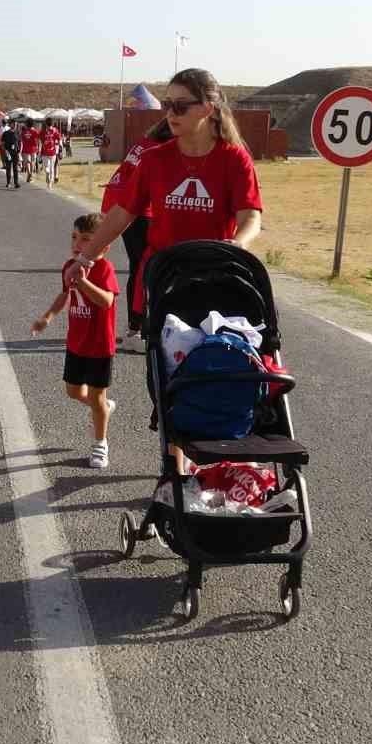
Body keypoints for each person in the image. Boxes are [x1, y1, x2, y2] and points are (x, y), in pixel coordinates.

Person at [66, 67, 262, 458]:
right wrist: (86, 258)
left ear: (208, 108)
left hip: (216, 280)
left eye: (180, 105)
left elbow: (250, 216)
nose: (170, 113)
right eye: (167, 104)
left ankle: (223, 450)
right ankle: (178, 468)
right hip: (165, 285)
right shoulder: (155, 160)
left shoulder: (234, 159)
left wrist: (238, 243)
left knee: (220, 366)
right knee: (170, 379)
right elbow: (121, 214)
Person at [31, 214, 120, 468]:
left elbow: (106, 301)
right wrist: (46, 318)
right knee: (73, 391)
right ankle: (102, 406)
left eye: (86, 239)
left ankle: (100, 444)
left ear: (103, 245)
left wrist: (83, 281)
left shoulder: (104, 269)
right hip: (76, 344)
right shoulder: (70, 265)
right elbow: (64, 294)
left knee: (96, 397)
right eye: (74, 237)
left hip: (100, 346)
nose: (77, 244)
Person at [101, 118, 172, 345]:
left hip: (120, 202)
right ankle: (136, 327)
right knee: (143, 267)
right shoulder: (160, 149)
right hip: (135, 208)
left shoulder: (144, 141)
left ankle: (137, 325)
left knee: (138, 266)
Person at [40, 119, 62, 188]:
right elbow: (59, 138)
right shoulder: (55, 130)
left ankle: (47, 174)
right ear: (52, 124)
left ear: (46, 124)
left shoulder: (43, 131)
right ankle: (50, 183)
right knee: (52, 167)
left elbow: (39, 140)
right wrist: (60, 147)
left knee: (46, 166)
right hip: (52, 152)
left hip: (45, 152)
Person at [0, 121, 21, 188]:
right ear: (10, 125)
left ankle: (16, 183)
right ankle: (8, 182)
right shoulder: (5, 133)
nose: (15, 125)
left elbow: (20, 143)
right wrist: (5, 151)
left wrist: (19, 152)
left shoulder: (17, 133)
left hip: (15, 153)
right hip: (8, 152)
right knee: (8, 168)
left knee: (15, 168)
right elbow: (2, 144)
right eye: (13, 124)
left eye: (15, 124)